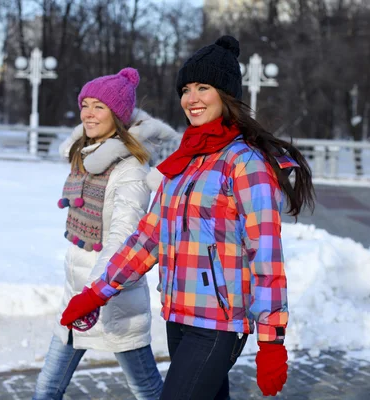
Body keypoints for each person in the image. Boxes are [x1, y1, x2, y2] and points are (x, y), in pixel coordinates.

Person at [60, 36, 315, 399]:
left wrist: (271, 340)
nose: (191, 99)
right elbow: (149, 238)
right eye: (185, 89)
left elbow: (266, 254)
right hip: (179, 315)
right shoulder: (185, 160)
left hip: (219, 323)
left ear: (226, 94)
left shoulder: (245, 163)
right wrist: (97, 292)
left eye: (203, 87)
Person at [33, 67, 178, 400]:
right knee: (47, 388)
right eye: (86, 104)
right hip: (76, 297)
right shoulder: (84, 159)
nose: (88, 113)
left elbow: (124, 240)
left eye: (99, 106)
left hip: (114, 302)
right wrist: (80, 296)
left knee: (146, 390)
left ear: (118, 115)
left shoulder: (129, 170)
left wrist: (95, 293)